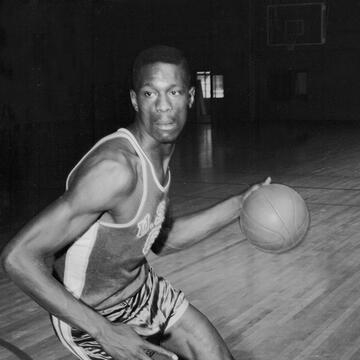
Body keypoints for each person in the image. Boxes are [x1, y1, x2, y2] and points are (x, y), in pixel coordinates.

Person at [1, 45, 270, 360]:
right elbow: (17, 259)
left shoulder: (158, 156)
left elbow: (162, 239)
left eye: (174, 92)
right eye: (149, 94)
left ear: (191, 98)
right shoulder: (116, 170)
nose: (163, 107)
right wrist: (104, 331)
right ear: (134, 100)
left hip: (143, 293)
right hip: (91, 317)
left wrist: (241, 204)